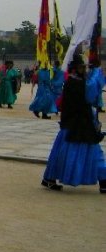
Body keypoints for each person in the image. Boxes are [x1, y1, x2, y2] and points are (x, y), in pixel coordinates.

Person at [42, 54, 106, 193]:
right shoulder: (74, 82)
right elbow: (89, 93)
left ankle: (104, 180)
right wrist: (97, 72)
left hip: (81, 122)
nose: (84, 70)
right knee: (68, 153)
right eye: (81, 67)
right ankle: (50, 178)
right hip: (76, 124)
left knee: (93, 152)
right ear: (75, 69)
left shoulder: (78, 81)